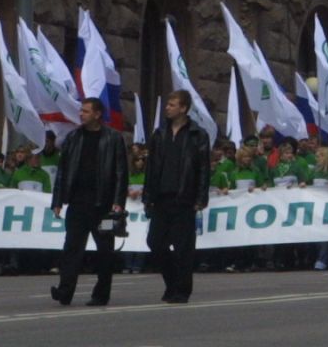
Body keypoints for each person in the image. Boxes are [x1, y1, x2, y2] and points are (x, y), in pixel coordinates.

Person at [48, 97, 129, 307]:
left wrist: (118, 201)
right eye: (81, 111)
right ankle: (64, 291)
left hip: (103, 206)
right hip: (77, 203)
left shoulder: (113, 138)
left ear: (97, 114)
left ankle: (101, 294)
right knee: (71, 249)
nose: (81, 114)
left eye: (85, 111)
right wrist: (57, 200)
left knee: (105, 251)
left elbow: (121, 172)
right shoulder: (73, 138)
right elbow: (63, 172)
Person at [143, 89, 211, 304]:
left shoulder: (197, 134)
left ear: (183, 108)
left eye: (172, 105)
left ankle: (182, 290)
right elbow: (151, 167)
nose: (167, 108)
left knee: (183, 248)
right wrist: (148, 196)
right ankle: (172, 282)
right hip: (161, 197)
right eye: (168, 104)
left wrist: (201, 197)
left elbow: (203, 168)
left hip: (184, 198)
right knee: (155, 242)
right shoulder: (160, 133)